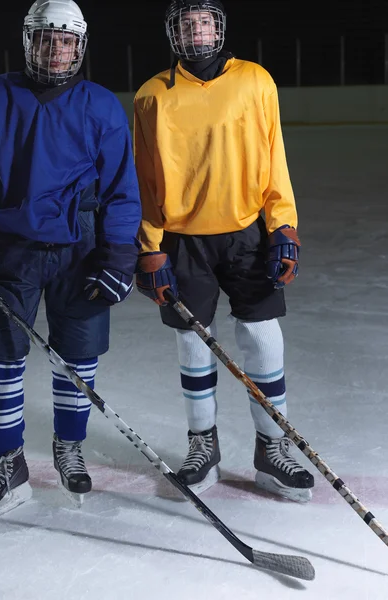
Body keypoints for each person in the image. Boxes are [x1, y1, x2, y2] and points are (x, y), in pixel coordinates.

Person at [0, 0, 141, 520]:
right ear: (28, 41)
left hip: (82, 250)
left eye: (67, 40)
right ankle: (9, 462)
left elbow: (121, 189)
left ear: (81, 46)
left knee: (76, 359)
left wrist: (119, 254)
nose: (57, 49)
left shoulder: (100, 105)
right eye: (46, 38)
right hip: (12, 249)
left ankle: (67, 446)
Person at [133, 0, 314, 502]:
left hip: (247, 235)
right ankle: (203, 447)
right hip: (182, 240)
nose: (197, 31)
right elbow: (145, 180)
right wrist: (149, 248)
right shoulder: (152, 95)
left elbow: (274, 154)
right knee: (194, 341)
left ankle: (271, 449)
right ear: (174, 32)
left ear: (219, 27)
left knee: (262, 336)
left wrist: (283, 224)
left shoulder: (255, 81)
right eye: (186, 24)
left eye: (205, 21)